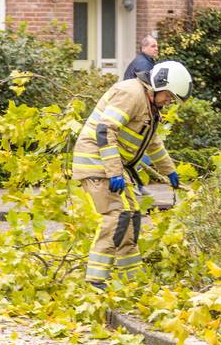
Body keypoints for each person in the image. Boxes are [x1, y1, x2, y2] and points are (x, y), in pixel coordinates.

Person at [73, 60, 192, 289]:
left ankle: (133, 279)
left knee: (132, 216)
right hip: (96, 162)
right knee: (116, 216)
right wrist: (114, 172)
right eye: (169, 96)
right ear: (159, 84)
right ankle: (95, 280)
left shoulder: (151, 107)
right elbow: (105, 129)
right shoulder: (131, 93)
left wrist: (171, 172)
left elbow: (153, 143)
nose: (169, 101)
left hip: (110, 165)